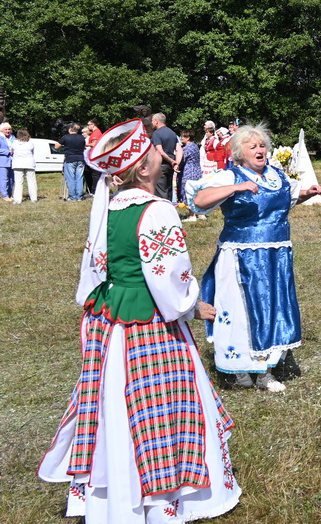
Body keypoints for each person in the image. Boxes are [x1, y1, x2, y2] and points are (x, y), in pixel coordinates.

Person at [39, 118, 241, 522]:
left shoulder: (110, 205)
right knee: (159, 408)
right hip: (150, 325)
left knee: (113, 403)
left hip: (111, 322)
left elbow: (97, 266)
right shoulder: (157, 210)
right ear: (145, 169)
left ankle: (113, 491)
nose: (160, 157)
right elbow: (169, 277)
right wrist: (190, 304)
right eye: (153, 153)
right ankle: (162, 496)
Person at [190, 124, 321, 392]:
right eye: (252, 147)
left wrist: (307, 193)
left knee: (273, 308)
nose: (259, 150)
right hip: (240, 256)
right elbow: (200, 200)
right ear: (240, 154)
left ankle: (265, 371)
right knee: (241, 311)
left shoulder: (277, 176)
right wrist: (236, 187)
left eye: (262, 145)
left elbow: (286, 200)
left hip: (276, 255)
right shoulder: (230, 175)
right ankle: (240, 371)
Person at [150, 112, 181, 200]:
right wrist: (176, 163)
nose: (151, 123)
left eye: (152, 120)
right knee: (169, 190)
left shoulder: (156, 134)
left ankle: (163, 208)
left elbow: (160, 151)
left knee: (161, 192)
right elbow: (179, 149)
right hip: (170, 166)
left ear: (156, 121)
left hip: (160, 165)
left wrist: (171, 161)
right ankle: (170, 207)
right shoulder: (172, 133)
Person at [54, 122, 88, 200]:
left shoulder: (66, 137)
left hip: (70, 159)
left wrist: (63, 145)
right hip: (80, 159)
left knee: (70, 178)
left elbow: (56, 147)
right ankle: (79, 196)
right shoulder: (82, 138)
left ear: (70, 129)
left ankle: (72, 196)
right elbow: (83, 147)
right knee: (79, 178)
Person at [11, 128, 40, 202]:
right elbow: (33, 152)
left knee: (18, 183)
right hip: (29, 163)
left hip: (17, 164)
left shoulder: (14, 142)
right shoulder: (30, 142)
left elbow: (12, 152)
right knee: (31, 182)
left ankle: (17, 200)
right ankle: (34, 198)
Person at [178, 129, 202, 211]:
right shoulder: (195, 146)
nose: (181, 138)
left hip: (189, 171)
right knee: (196, 192)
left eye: (182, 136)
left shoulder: (187, 148)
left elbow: (182, 160)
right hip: (197, 170)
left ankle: (192, 214)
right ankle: (200, 213)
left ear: (188, 138)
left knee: (189, 191)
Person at [0, 121, 12, 201]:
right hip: (3, 162)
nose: (8, 131)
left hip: (13, 161)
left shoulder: (13, 137)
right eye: (6, 129)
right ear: (2, 130)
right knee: (4, 179)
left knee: (11, 179)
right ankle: (5, 195)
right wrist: (7, 152)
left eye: (9, 129)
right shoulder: (0, 138)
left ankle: (10, 194)